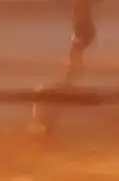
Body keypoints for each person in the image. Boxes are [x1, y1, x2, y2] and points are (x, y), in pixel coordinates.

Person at [31, 0, 96, 141]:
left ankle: (71, 80)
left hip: (82, 32)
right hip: (82, 32)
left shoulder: (81, 15)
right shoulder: (81, 15)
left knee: (74, 59)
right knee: (74, 60)